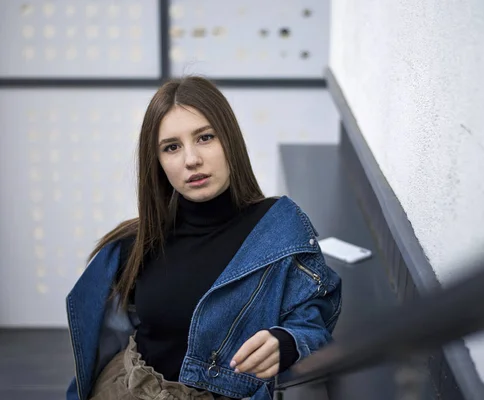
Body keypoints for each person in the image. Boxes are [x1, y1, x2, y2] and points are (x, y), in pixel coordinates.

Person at [65, 76, 342, 400]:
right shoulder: (136, 243)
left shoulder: (279, 231)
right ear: (158, 163)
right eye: (172, 147)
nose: (191, 159)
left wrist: (289, 341)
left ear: (230, 141)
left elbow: (316, 317)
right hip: (127, 386)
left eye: (205, 137)